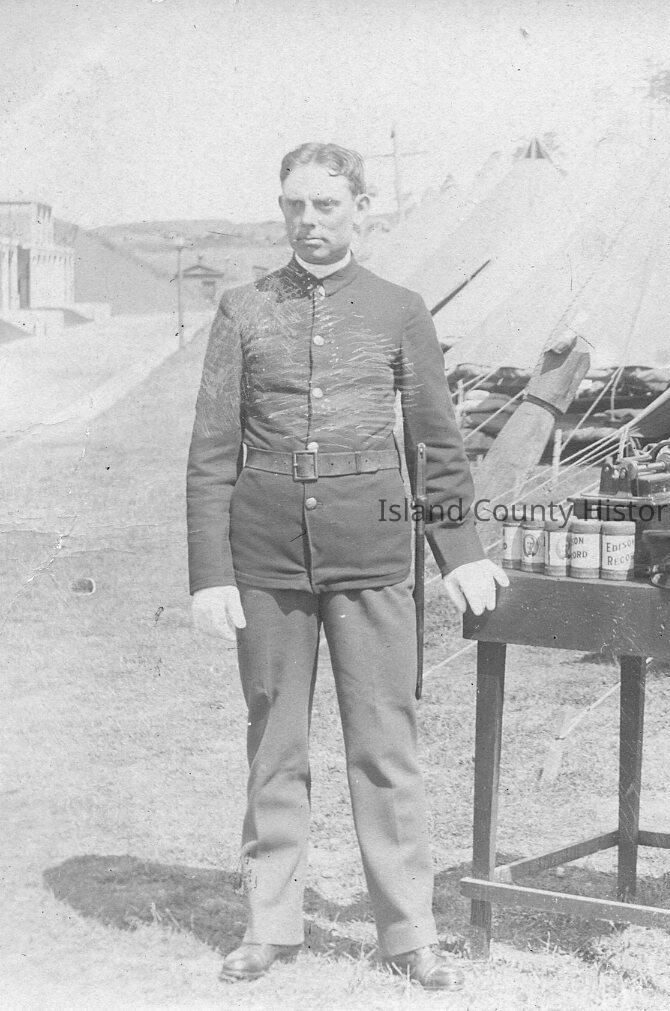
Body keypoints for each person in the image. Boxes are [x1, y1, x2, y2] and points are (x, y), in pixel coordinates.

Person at [186, 142, 507, 990]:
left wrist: (460, 552)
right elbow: (212, 451)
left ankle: (408, 930)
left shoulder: (399, 309)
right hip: (267, 557)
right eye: (294, 205)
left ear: (361, 208)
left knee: (385, 742)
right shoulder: (242, 310)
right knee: (274, 739)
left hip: (371, 554)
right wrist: (212, 572)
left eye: (326, 205)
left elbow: (435, 443)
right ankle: (269, 922)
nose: (309, 221)